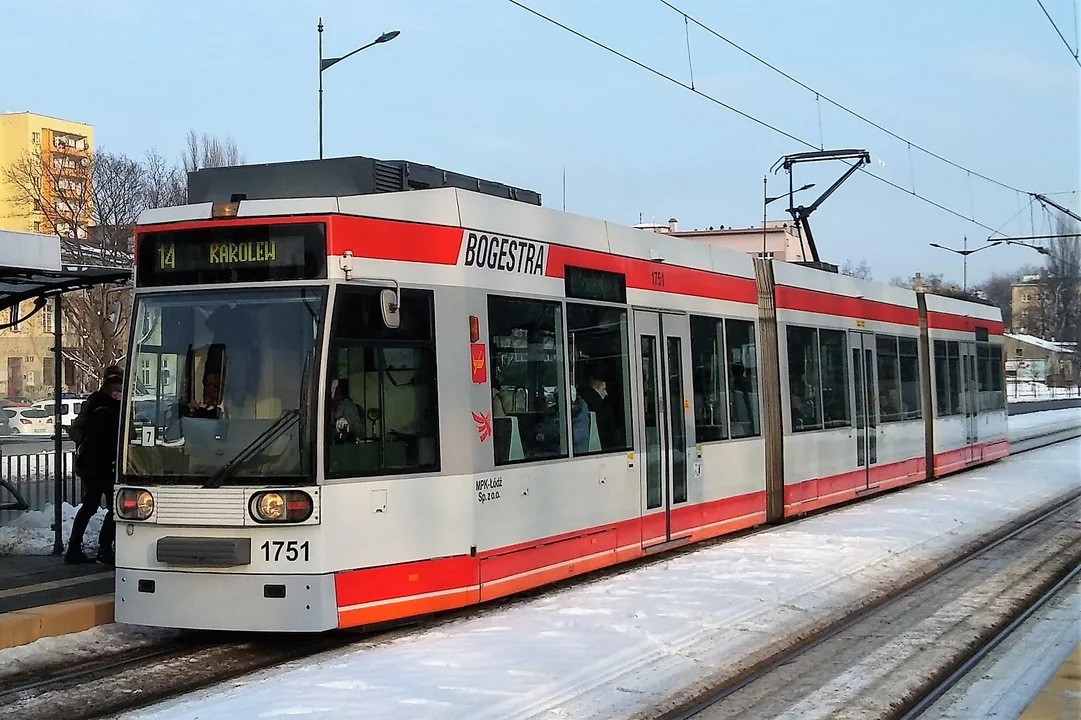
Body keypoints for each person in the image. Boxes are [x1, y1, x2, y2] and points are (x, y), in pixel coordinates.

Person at [65, 366, 124, 565]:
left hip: (100, 463)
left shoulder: (111, 403)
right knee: (113, 508)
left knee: (94, 506)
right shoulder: (98, 403)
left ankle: (77, 548)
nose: (116, 388)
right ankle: (103, 548)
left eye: (118, 384)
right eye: (113, 384)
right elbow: (77, 429)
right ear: (106, 384)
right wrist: (87, 442)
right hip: (101, 464)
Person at [574, 365, 620, 451]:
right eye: (603, 389)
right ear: (595, 389)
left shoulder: (578, 405)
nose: (606, 393)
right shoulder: (603, 410)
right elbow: (612, 439)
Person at [329, 377, 363, 442]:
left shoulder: (346, 405)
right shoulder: (316, 405)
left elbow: (359, 431)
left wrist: (347, 422)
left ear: (335, 383)